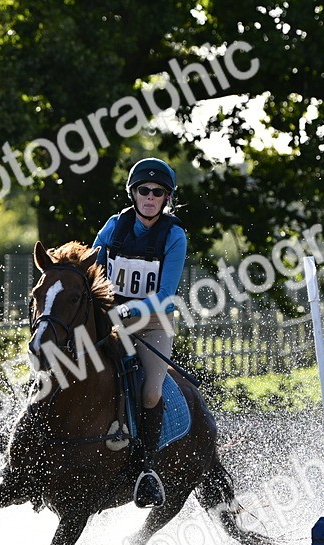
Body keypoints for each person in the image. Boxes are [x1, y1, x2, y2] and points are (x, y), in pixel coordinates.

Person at [92, 157, 187, 509]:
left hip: (151, 324)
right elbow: (92, 266)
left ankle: (145, 470)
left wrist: (130, 309)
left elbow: (165, 295)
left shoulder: (174, 235)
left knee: (148, 392)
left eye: (157, 192)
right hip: (110, 320)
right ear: (133, 193)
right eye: (144, 190)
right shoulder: (115, 227)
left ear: (166, 198)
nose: (150, 197)